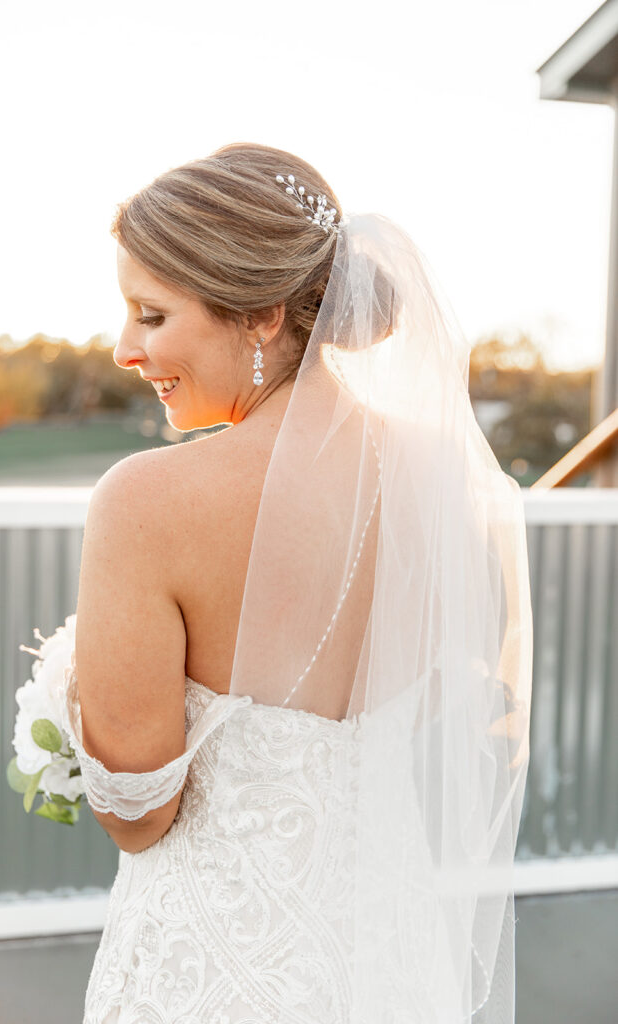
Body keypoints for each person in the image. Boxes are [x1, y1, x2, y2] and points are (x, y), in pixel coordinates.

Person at [59, 142, 533, 1023]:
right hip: (390, 954)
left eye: (150, 315)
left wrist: (68, 708)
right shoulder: (446, 480)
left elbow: (138, 815)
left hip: (213, 970)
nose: (125, 349)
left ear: (264, 314)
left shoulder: (145, 502)